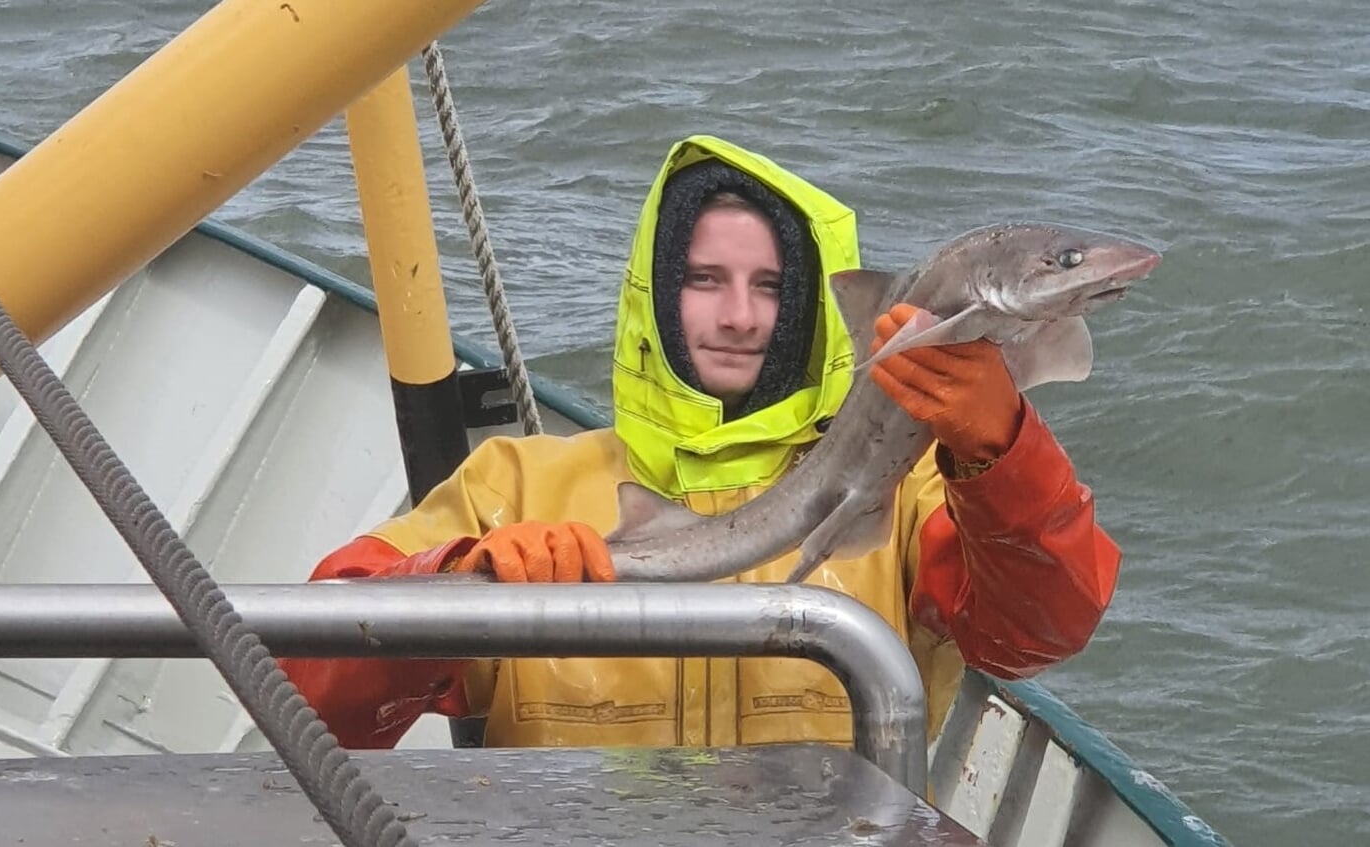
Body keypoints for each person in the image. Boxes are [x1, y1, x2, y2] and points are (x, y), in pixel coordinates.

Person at [279, 135, 1120, 751]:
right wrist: (461, 582)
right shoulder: (518, 483)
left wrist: (999, 450)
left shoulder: (907, 493)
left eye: (770, 286)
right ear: (654, 291)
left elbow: (1038, 632)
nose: (738, 316)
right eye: (703, 280)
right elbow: (309, 687)